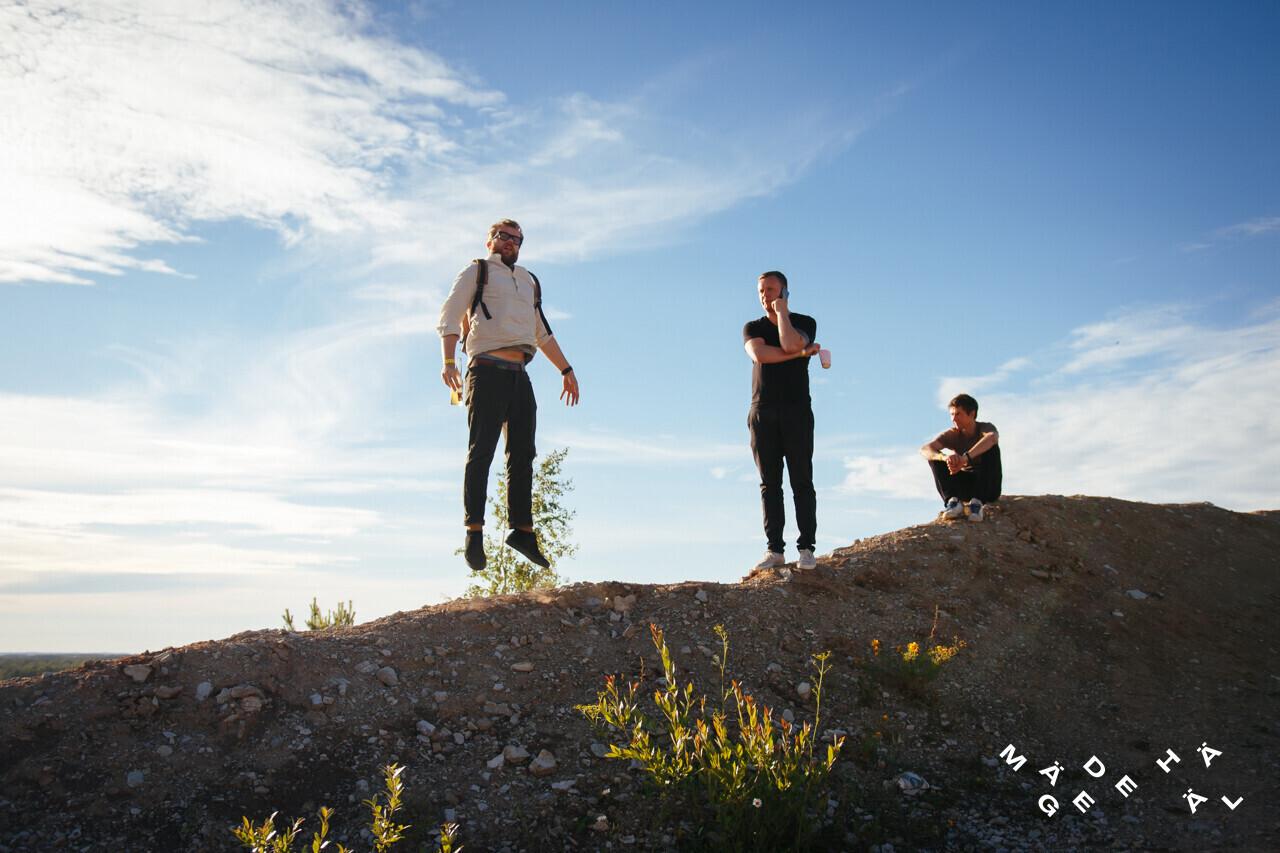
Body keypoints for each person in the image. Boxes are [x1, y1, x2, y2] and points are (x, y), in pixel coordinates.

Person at [437, 219, 580, 571]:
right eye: (503, 237)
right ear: (490, 240)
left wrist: (565, 369)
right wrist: (448, 360)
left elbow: (541, 332)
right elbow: (450, 315)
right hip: (485, 370)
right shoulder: (478, 271)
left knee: (523, 454)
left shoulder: (529, 280)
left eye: (517, 239)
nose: (510, 243)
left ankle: (522, 531)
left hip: (520, 374)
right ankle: (474, 532)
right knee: (482, 451)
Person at [743, 270, 821, 571]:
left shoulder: (804, 323)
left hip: (797, 410)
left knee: (802, 479)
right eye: (761, 291)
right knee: (769, 483)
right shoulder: (752, 327)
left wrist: (783, 314)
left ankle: (806, 548)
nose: (765, 296)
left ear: (785, 292)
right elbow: (760, 354)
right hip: (762, 411)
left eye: (771, 290)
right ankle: (775, 550)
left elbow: (789, 344)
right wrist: (802, 354)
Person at [919, 393, 1001, 522]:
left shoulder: (984, 428)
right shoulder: (953, 434)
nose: (954, 419)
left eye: (958, 414)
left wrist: (965, 458)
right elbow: (925, 449)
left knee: (991, 448)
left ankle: (977, 504)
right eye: (952, 414)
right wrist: (944, 457)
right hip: (965, 486)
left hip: (988, 486)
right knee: (934, 457)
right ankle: (954, 503)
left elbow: (992, 438)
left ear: (972, 414)